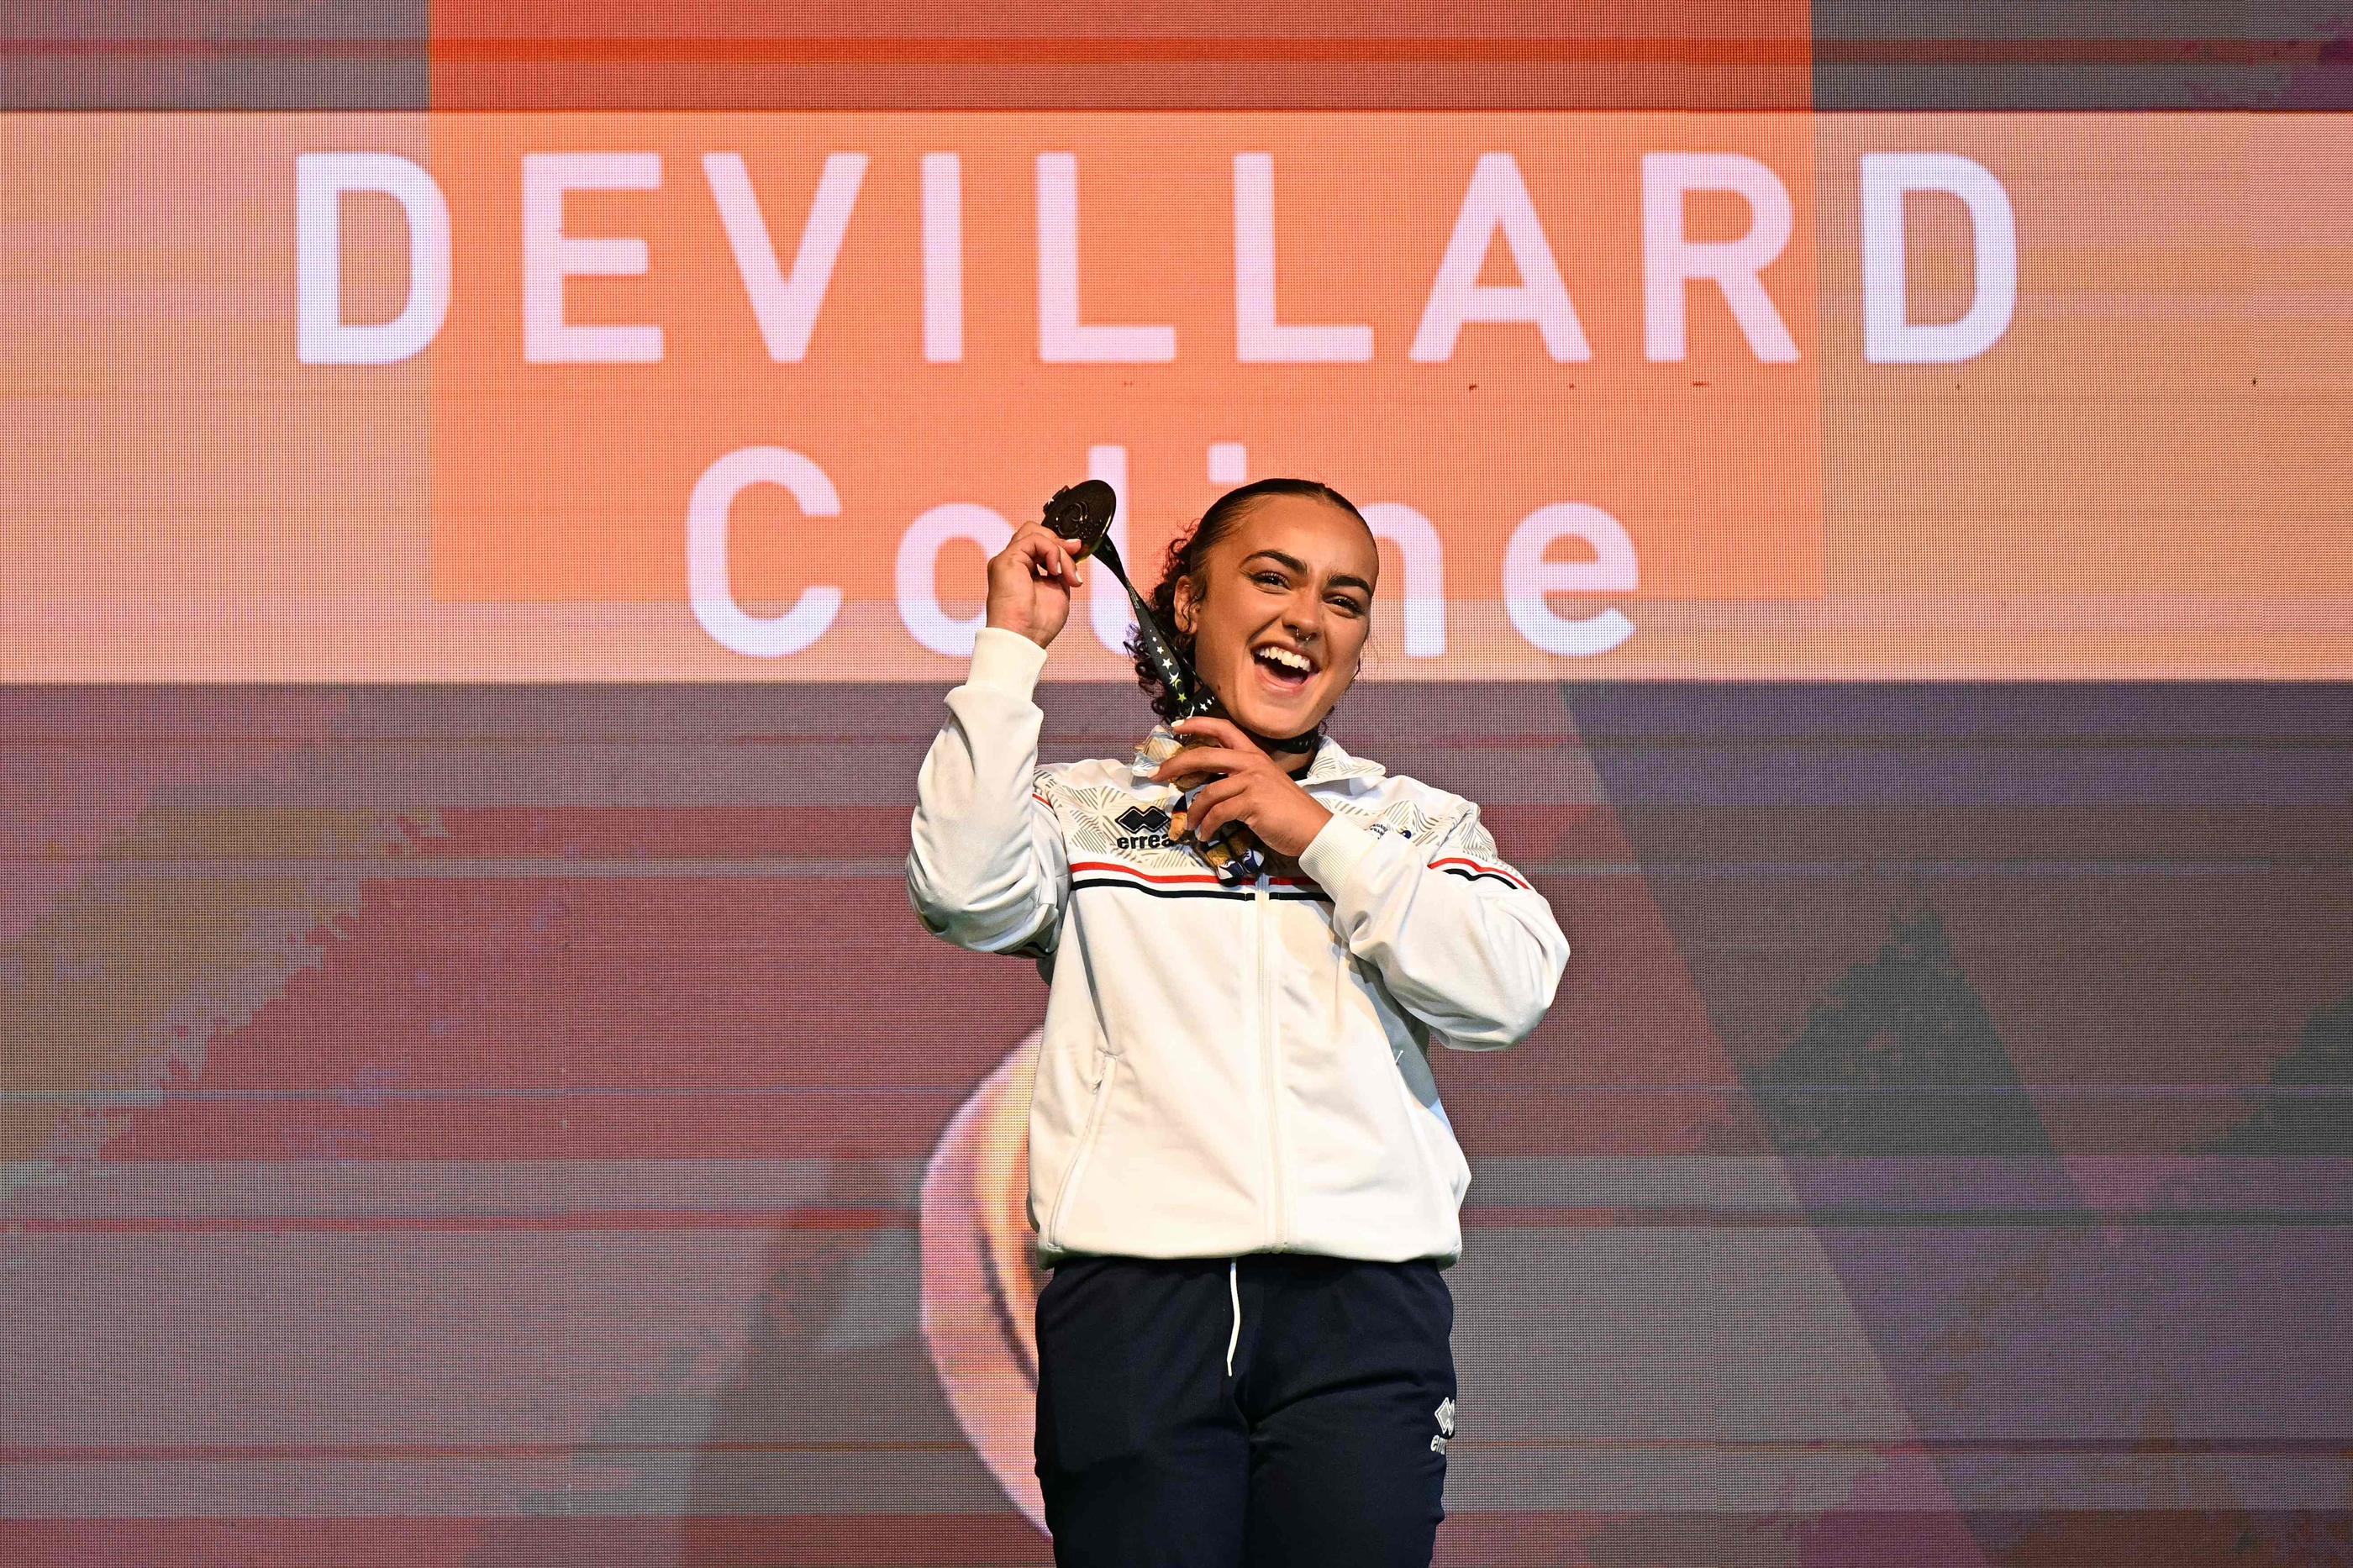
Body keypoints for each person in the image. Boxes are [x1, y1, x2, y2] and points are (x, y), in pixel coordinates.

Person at [907, 477, 1571, 1567]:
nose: (1308, 615)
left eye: (1344, 597)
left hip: (1364, 1310)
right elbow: (963, 890)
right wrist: (1010, 651)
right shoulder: (1085, 814)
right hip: (1133, 1310)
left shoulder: (1411, 823)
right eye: (1271, 577)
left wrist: (1312, 832)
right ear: (1182, 609)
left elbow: (1510, 987)